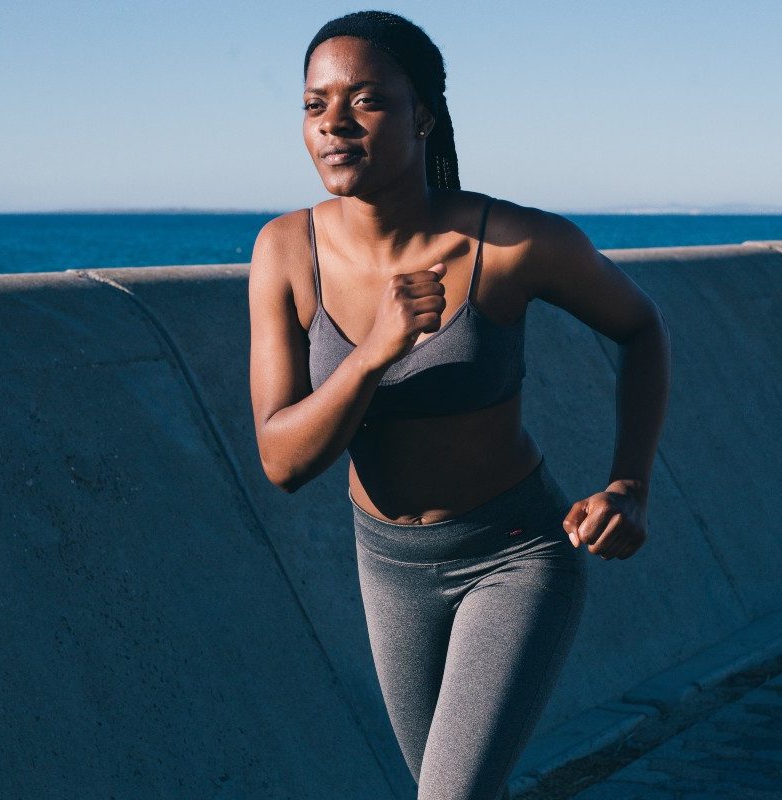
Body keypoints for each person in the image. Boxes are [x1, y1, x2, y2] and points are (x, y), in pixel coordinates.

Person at [248, 10, 671, 800]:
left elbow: (640, 326)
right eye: (314, 104)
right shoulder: (284, 252)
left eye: (366, 100)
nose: (334, 123)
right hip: (389, 569)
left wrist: (630, 484)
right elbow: (282, 461)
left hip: (512, 553)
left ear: (423, 117)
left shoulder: (512, 243)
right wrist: (373, 351)